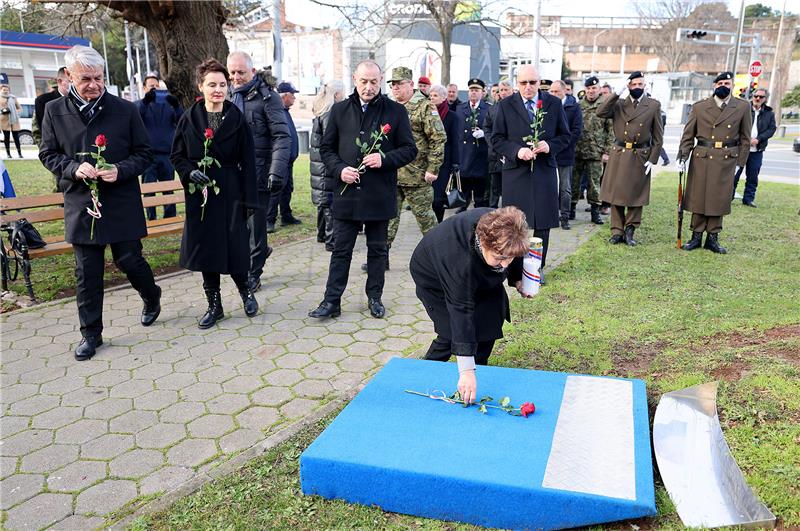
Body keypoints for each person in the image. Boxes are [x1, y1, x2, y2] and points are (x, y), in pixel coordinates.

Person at [39, 45, 161, 361]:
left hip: (120, 199)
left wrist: (121, 170)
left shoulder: (125, 109)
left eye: (98, 78)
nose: (93, 85)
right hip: (82, 203)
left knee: (129, 260)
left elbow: (145, 153)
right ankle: (91, 334)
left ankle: (152, 295)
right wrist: (72, 168)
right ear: (68, 76)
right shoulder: (54, 111)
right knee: (87, 272)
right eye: (85, 79)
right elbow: (48, 153)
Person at [308, 60, 417, 320]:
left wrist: (385, 159)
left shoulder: (395, 111)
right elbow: (326, 149)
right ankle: (331, 301)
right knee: (341, 250)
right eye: (363, 81)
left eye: (374, 82)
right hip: (347, 194)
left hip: (379, 193)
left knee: (378, 250)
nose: (368, 87)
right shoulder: (339, 110)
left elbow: (409, 149)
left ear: (381, 81)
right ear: (354, 79)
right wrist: (339, 169)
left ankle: (375, 298)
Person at [171, 59, 259, 327]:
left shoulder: (236, 118)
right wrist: (189, 172)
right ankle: (214, 305)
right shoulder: (189, 117)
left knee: (235, 247)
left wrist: (249, 200)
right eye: (212, 84)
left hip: (230, 190)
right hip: (201, 196)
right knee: (207, 250)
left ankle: (246, 292)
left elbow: (249, 161)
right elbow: (176, 155)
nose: (218, 89)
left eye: (222, 84)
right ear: (201, 86)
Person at [410, 206, 529, 403]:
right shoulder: (459, 263)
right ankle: (426, 371)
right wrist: (466, 370)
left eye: (510, 259)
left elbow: (513, 250)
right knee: (451, 332)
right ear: (483, 243)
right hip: (434, 278)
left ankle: (479, 368)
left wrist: (518, 278)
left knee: (490, 319)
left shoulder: (505, 226)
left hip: (476, 269)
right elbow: (461, 311)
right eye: (500, 258)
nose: (506, 264)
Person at [490, 65, 570, 286]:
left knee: (542, 221)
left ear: (539, 82)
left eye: (532, 83)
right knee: (515, 222)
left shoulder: (553, 104)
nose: (528, 87)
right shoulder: (506, 105)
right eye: (523, 83)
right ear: (517, 83)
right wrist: (517, 151)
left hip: (544, 170)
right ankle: (515, 269)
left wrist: (549, 145)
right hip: (516, 172)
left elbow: (566, 136)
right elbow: (496, 139)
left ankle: (537, 266)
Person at [226, 51, 291, 292]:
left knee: (255, 227)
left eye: (241, 72)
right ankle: (260, 252)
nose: (236, 77)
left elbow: (282, 136)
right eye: (232, 72)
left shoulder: (268, 98)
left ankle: (254, 273)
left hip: (260, 173)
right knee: (237, 226)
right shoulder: (228, 96)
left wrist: (276, 171)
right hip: (233, 174)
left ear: (252, 72)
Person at [677, 72, 751, 254]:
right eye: (720, 83)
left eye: (727, 83)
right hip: (702, 157)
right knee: (698, 196)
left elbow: (745, 138)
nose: (723, 86)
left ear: (732, 85)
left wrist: (740, 164)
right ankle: (696, 236)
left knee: (719, 198)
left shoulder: (742, 107)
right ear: (714, 86)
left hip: (727, 159)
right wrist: (682, 156)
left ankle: (713, 238)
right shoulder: (700, 107)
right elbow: (688, 135)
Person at [382, 66, 445, 271]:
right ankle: (381, 257)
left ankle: (441, 259)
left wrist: (433, 168)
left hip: (417, 175)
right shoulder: (389, 107)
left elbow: (438, 138)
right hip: (392, 173)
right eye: (393, 84)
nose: (396, 88)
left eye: (400, 84)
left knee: (426, 220)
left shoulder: (424, 106)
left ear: (411, 84)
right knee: (387, 217)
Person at [596, 71, 664, 246]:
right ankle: (617, 231)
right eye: (633, 85)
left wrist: (653, 158)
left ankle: (630, 230)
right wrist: (616, 93)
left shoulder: (653, 105)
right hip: (619, 154)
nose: (636, 88)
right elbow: (600, 112)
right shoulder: (619, 104)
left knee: (636, 195)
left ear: (645, 86)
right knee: (616, 194)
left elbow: (658, 136)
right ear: (628, 86)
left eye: (640, 85)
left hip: (639, 155)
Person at [137, 72, 183, 221]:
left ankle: (170, 217)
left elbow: (181, 120)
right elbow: (136, 118)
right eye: (151, 87)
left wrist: (176, 106)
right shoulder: (140, 104)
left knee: (168, 189)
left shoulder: (168, 105)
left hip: (167, 154)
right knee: (149, 189)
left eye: (157, 86)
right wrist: (145, 101)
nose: (155, 89)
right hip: (148, 155)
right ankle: (151, 218)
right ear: (144, 88)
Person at [572, 75, 612, 225]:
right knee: (574, 182)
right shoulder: (578, 105)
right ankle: (571, 209)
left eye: (594, 88)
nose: (591, 91)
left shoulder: (605, 105)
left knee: (594, 184)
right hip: (578, 150)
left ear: (599, 89)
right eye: (588, 88)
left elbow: (611, 130)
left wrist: (607, 151)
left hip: (596, 151)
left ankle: (595, 212)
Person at [310, 80, 344, 251]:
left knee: (323, 202)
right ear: (337, 94)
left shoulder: (321, 110)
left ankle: (321, 234)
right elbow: (331, 141)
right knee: (329, 203)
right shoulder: (331, 113)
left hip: (319, 164)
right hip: (326, 165)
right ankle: (331, 241)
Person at [266, 81, 302, 232]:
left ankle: (286, 215)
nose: (294, 98)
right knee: (276, 190)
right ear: (285, 96)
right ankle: (269, 220)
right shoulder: (277, 110)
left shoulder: (285, 111)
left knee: (288, 188)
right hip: (281, 160)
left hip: (289, 161)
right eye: (292, 95)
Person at [732, 88, 776, 208]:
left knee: (752, 176)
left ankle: (748, 199)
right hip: (741, 148)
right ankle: (728, 197)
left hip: (757, 150)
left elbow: (771, 129)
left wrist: (759, 139)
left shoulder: (769, 113)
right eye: (755, 96)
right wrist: (745, 139)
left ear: (765, 99)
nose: (757, 98)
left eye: (761, 97)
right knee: (734, 174)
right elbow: (735, 126)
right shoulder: (744, 109)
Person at [549, 80, 583, 230]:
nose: (554, 94)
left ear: (564, 91)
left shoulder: (574, 107)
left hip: (565, 153)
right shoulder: (547, 105)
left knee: (565, 188)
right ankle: (550, 215)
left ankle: (565, 217)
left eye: (557, 92)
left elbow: (576, 131)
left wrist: (560, 145)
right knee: (549, 186)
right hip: (548, 152)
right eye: (552, 92)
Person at [457, 78, 491, 210]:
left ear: (482, 92)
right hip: (464, 154)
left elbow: (495, 129)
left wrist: (484, 133)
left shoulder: (488, 108)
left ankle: (479, 211)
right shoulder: (460, 108)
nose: (473, 93)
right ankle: (463, 207)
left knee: (480, 191)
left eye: (476, 90)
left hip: (480, 155)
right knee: (464, 186)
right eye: (471, 90)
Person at [429, 84, 461, 223]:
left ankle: (439, 223)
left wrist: (456, 162)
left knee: (438, 199)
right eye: (430, 95)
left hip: (444, 162)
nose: (432, 98)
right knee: (428, 197)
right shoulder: (427, 114)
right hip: (427, 161)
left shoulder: (452, 116)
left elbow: (455, 141)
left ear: (443, 97)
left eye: (435, 95)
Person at [483, 80, 513, 208]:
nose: (504, 93)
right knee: (494, 187)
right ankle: (493, 213)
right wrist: (493, 143)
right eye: (501, 90)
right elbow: (487, 128)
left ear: (512, 90)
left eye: (506, 90)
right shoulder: (493, 109)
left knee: (510, 188)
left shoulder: (518, 107)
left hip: (512, 154)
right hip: (495, 154)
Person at [33, 67, 69, 146]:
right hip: (56, 147)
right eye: (69, 81)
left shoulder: (79, 99)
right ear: (59, 81)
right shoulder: (43, 101)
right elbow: (43, 128)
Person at [0, 81, 23, 159]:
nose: (6, 91)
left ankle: (20, 153)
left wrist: (14, 112)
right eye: (4, 90)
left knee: (16, 137)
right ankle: (8, 154)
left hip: (14, 120)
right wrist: (3, 111)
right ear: (1, 90)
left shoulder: (13, 97)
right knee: (6, 138)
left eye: (7, 90)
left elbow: (20, 108)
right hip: (4, 121)